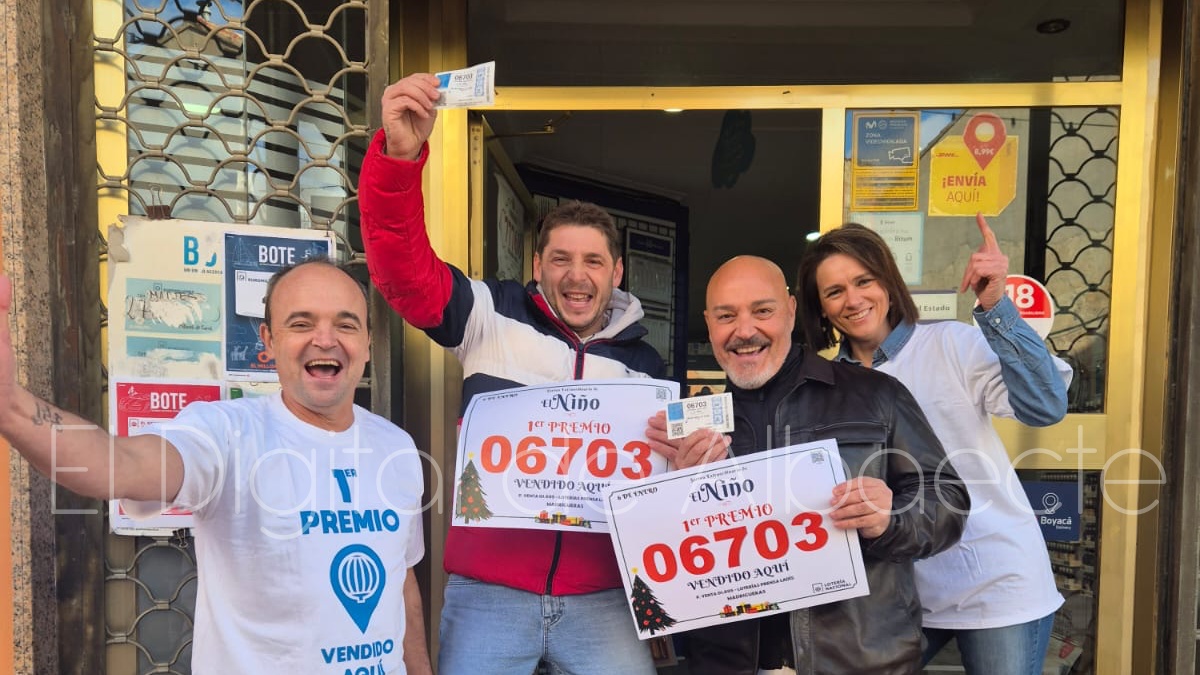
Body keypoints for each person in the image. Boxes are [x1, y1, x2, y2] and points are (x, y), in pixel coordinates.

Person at [357, 73, 664, 675]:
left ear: (617, 272)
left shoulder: (645, 365)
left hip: (602, 599)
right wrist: (399, 156)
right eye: (561, 259)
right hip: (489, 595)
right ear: (537, 265)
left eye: (593, 261)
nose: (577, 275)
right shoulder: (490, 314)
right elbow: (402, 270)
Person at [0, 258, 432, 674]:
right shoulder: (225, 433)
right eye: (301, 323)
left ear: (368, 345)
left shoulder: (397, 446)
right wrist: (13, 410)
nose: (325, 339)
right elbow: (121, 464)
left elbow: (401, 581)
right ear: (269, 340)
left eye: (346, 324)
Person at [648, 255, 969, 675]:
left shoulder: (876, 394)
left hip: (861, 663)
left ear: (792, 310)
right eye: (727, 315)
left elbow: (947, 497)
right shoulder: (687, 422)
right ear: (709, 323)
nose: (745, 331)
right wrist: (678, 486)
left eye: (762, 311)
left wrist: (890, 519)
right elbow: (662, 552)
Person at [796, 217, 1073, 675]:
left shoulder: (952, 343)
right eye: (834, 291)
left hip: (994, 581)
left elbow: (1045, 406)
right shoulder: (827, 385)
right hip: (901, 593)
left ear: (888, 280)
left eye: (864, 280)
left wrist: (996, 304)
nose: (853, 299)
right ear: (820, 308)